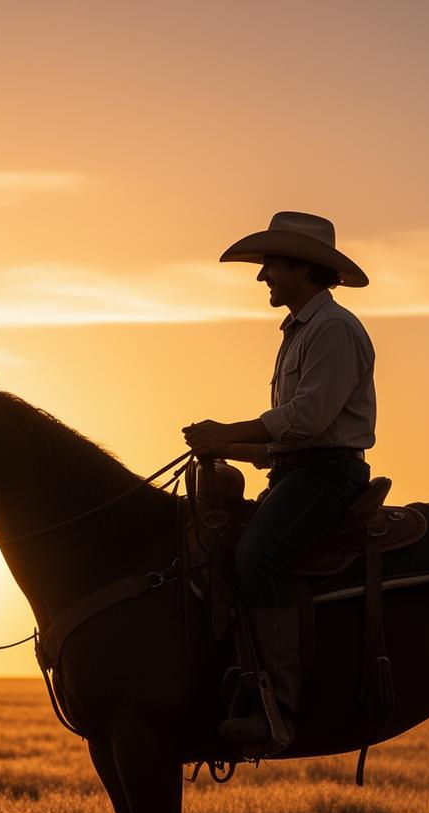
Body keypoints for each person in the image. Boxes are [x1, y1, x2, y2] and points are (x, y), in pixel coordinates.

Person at [184, 211, 375, 751]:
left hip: (326, 475)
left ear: (302, 267)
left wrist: (228, 430)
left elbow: (310, 419)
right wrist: (230, 449)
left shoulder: (335, 329)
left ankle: (279, 705)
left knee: (257, 556)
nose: (262, 275)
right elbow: (290, 436)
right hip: (301, 471)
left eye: (271, 263)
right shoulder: (301, 332)